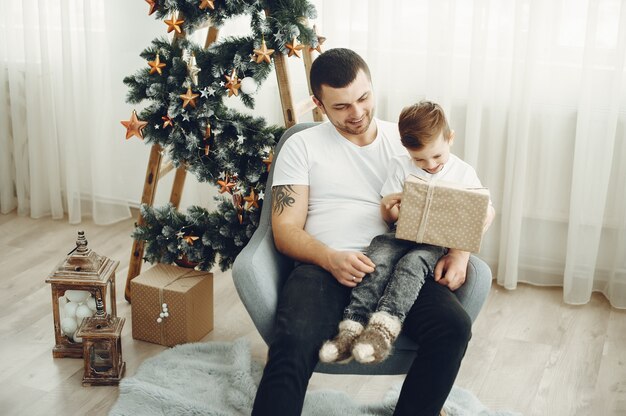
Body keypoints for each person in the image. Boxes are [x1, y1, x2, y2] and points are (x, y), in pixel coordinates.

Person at [252, 48, 481, 416]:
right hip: (323, 267)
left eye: (363, 98)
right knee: (292, 342)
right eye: (341, 106)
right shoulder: (301, 146)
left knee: (452, 328)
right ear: (318, 103)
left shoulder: (408, 140)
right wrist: (330, 258)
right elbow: (284, 230)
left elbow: (465, 198)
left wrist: (460, 253)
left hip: (399, 265)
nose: (357, 113)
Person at [318, 100, 495, 366]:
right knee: (376, 258)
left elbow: (486, 210)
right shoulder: (400, 165)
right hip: (400, 233)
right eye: (420, 159)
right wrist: (389, 209)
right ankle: (351, 327)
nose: (430, 164)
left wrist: (463, 247)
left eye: (437, 156)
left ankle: (384, 328)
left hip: (436, 242)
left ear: (450, 138)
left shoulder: (463, 172)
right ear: (406, 149)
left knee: (411, 265)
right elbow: (389, 215)